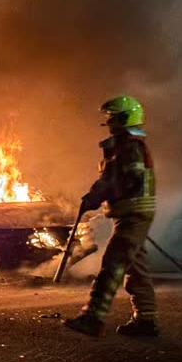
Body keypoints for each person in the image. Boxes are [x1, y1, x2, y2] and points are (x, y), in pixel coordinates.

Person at [64, 95, 158, 337]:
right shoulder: (119, 147)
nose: (109, 121)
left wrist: (101, 194)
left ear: (124, 118)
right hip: (129, 213)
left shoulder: (130, 146)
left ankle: (93, 317)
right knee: (136, 268)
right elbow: (108, 179)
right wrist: (92, 196)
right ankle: (146, 321)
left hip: (134, 214)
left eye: (112, 116)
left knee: (113, 264)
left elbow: (129, 179)